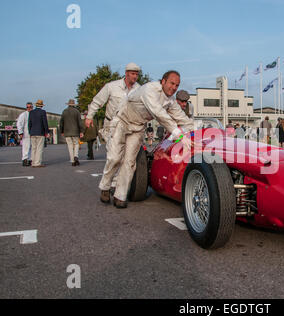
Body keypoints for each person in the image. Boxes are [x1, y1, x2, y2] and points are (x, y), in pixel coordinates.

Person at [98, 70, 194, 208]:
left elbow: (182, 118)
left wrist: (194, 130)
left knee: (130, 162)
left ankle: (120, 196)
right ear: (163, 81)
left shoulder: (171, 101)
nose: (173, 88)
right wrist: (178, 134)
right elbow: (158, 113)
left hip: (138, 127)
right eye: (171, 83)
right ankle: (105, 186)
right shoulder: (150, 89)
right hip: (122, 121)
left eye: (177, 85)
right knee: (114, 158)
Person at [85, 62, 141, 152]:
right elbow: (97, 101)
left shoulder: (139, 89)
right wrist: (89, 117)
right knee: (114, 154)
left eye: (137, 74)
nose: (135, 76)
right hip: (111, 125)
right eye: (133, 74)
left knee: (128, 154)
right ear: (126, 73)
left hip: (129, 126)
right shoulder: (112, 86)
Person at [60, 99, 84, 166]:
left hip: (67, 132)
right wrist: (82, 131)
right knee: (76, 144)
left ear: (68, 104)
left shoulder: (64, 111)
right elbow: (80, 122)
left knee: (70, 146)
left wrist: (61, 131)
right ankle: (76, 156)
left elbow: (61, 122)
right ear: (74, 104)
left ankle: (72, 161)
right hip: (75, 132)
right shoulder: (77, 112)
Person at [28, 99, 49, 167]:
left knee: (33, 148)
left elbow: (29, 123)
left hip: (32, 132)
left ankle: (33, 162)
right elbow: (45, 123)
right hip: (40, 132)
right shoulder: (43, 112)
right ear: (42, 106)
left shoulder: (31, 112)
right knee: (39, 148)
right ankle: (37, 163)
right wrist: (47, 131)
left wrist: (30, 132)